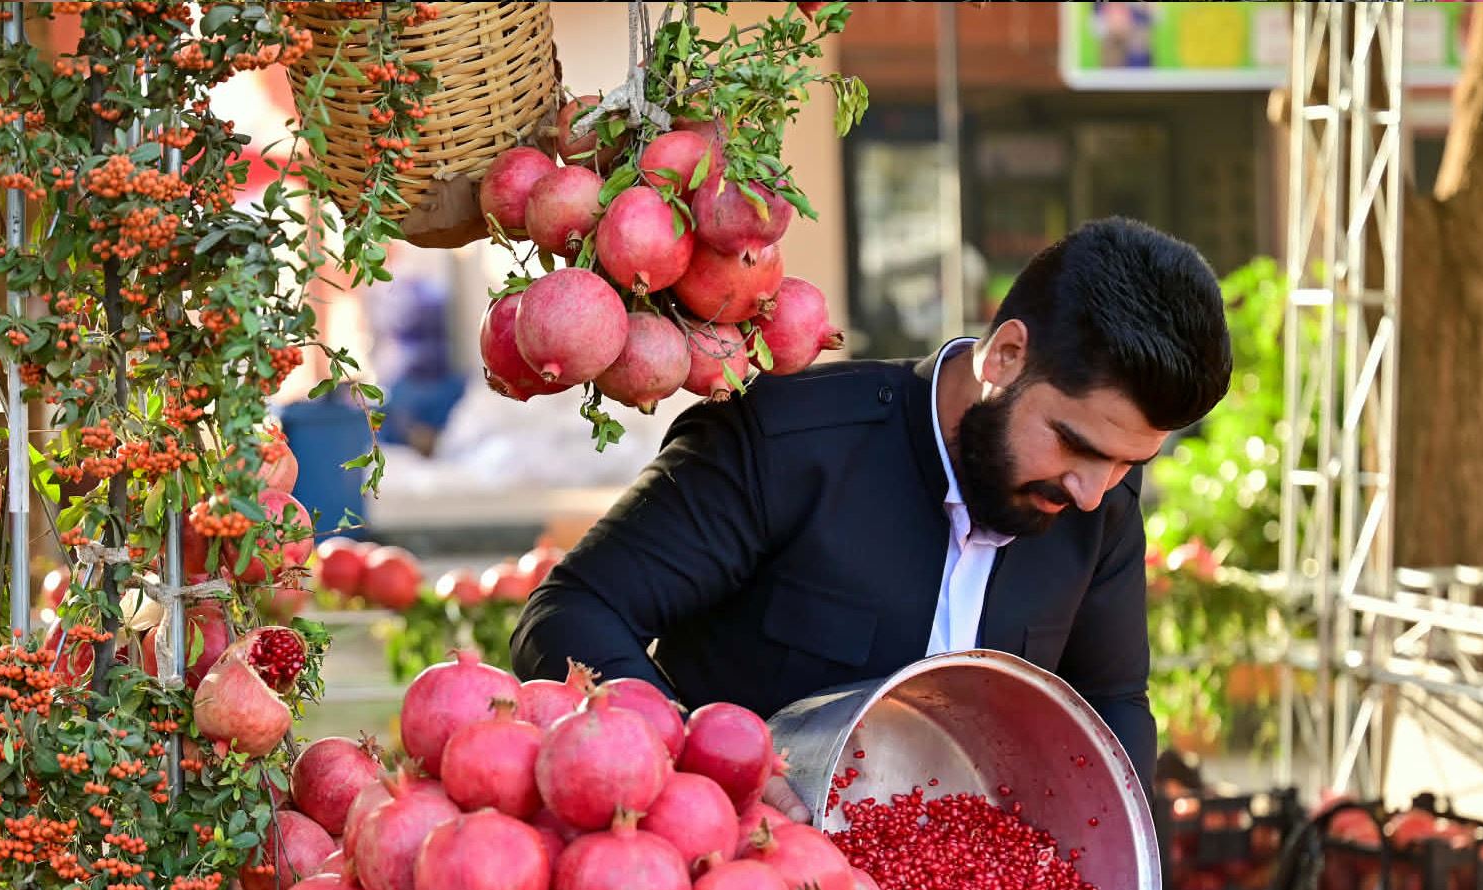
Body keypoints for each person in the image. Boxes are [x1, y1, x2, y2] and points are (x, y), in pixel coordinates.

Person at [512, 217, 1232, 811]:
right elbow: (571, 611)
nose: (1089, 491)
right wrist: (698, 769)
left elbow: (1111, 700)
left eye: (1127, 465)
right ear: (1008, 355)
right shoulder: (786, 444)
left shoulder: (1100, 504)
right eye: (1074, 443)